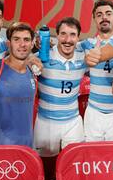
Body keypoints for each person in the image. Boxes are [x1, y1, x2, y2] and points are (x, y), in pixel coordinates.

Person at [78, 0, 113, 141]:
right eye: (99, 15)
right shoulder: (87, 44)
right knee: (92, 157)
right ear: (95, 20)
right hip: (93, 112)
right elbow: (62, 50)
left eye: (108, 13)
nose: (104, 17)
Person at [34, 17, 87, 157]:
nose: (67, 39)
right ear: (56, 35)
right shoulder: (42, 57)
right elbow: (18, 62)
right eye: (63, 34)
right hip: (46, 122)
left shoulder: (84, 58)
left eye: (72, 35)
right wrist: (32, 48)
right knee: (45, 168)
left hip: (73, 122)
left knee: (73, 164)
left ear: (78, 38)